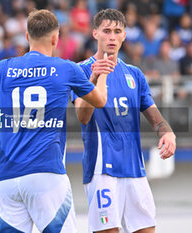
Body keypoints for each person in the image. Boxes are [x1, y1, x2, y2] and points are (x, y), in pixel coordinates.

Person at [0, 9, 109, 233]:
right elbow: (100, 101)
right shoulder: (65, 68)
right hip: (46, 174)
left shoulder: (3, 68)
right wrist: (102, 73)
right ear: (56, 38)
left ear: (27, 37)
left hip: (7, 178)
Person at [72, 9, 176, 233]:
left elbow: (155, 117)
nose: (112, 36)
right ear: (95, 33)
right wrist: (94, 79)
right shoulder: (80, 70)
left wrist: (166, 132)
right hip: (102, 171)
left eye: (117, 31)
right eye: (106, 31)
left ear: (124, 36)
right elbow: (82, 116)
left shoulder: (134, 74)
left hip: (135, 170)